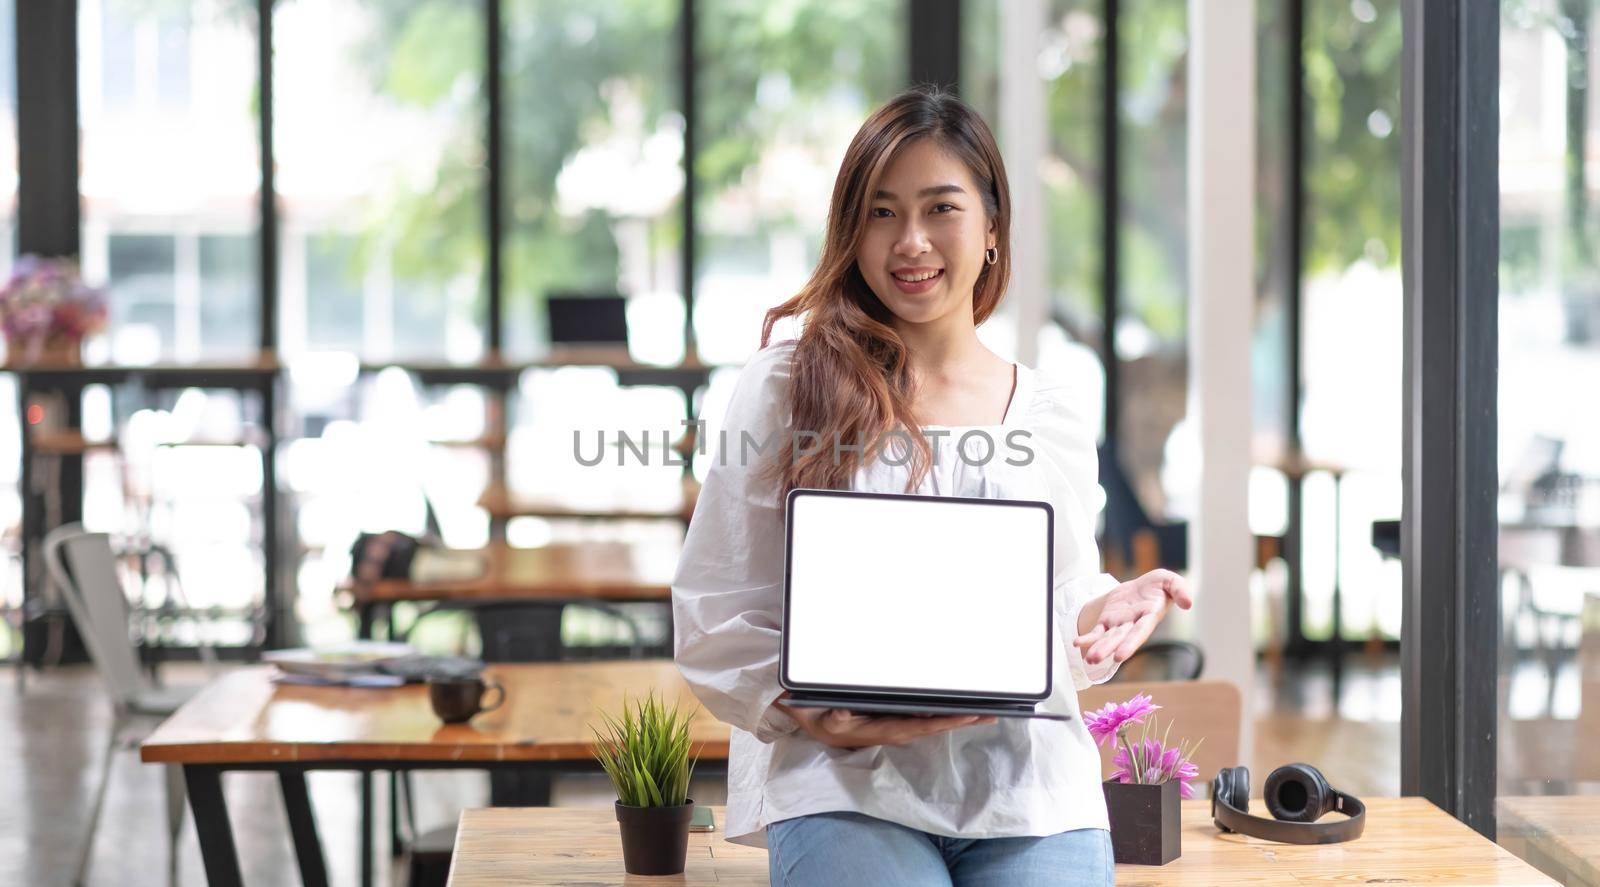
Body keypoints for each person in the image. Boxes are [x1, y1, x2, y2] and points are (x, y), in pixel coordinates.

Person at [672, 85, 1193, 887]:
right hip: (844, 782)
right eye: (881, 213)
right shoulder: (787, 385)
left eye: (940, 208)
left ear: (991, 229)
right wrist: (811, 711)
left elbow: (1052, 606)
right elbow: (715, 602)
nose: (910, 241)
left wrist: (1103, 611)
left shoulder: (1048, 411)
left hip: (1029, 786)